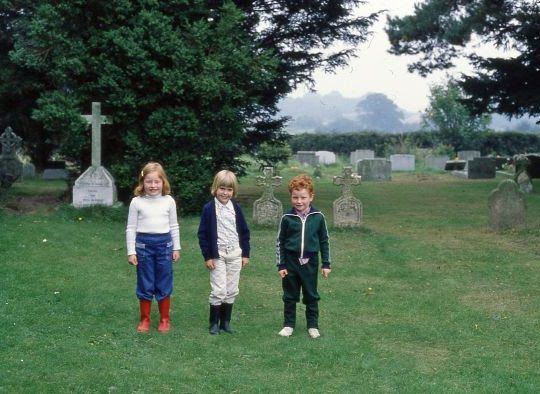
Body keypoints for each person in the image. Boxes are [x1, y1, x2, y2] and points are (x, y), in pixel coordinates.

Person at [126, 162, 181, 333]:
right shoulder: (136, 202)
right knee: (145, 282)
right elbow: (131, 228)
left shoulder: (169, 201)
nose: (153, 185)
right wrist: (131, 251)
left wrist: (176, 248)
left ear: (163, 182)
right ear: (142, 183)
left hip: (165, 246)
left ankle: (164, 320)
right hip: (143, 247)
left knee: (164, 282)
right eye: (149, 181)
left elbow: (174, 226)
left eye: (157, 181)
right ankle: (145, 319)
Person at [276, 174, 331, 338]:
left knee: (311, 294)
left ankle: (313, 325)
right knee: (290, 295)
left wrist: (326, 264)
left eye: (303, 197)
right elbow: (280, 241)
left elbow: (324, 241)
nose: (299, 201)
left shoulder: (318, 217)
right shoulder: (287, 218)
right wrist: (281, 265)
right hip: (290, 263)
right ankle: (288, 325)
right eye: (295, 197)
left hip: (310, 263)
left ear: (311, 196)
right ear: (291, 197)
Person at [198, 170, 250, 335]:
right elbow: (202, 234)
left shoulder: (236, 208)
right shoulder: (209, 208)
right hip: (217, 255)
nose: (225, 193)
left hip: (235, 253)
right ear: (215, 188)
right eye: (222, 188)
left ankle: (225, 323)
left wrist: (245, 254)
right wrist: (208, 256)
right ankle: (213, 323)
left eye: (229, 189)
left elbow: (244, 231)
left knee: (232, 289)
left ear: (233, 191)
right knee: (219, 289)